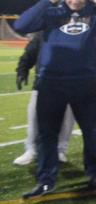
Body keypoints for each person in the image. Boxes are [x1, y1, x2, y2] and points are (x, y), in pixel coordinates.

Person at [13, 0, 96, 198]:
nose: (74, 0)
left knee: (90, 131)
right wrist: (46, 2)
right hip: (51, 83)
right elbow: (21, 25)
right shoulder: (51, 13)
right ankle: (46, 181)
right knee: (47, 134)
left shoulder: (95, 13)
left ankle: (95, 175)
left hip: (85, 83)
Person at [12, 33, 76, 166]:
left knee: (67, 118)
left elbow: (94, 54)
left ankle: (60, 150)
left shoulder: (80, 32)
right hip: (44, 82)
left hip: (71, 83)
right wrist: (22, 70)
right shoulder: (43, 33)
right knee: (35, 117)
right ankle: (32, 150)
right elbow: (29, 54)